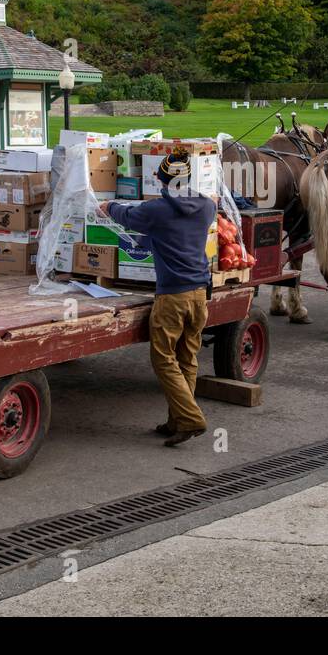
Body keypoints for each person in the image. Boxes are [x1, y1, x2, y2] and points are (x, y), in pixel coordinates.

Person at [97, 151, 217, 448]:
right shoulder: (205, 207)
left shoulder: (156, 211)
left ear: (161, 180)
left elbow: (127, 215)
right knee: (187, 357)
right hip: (200, 293)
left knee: (163, 358)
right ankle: (178, 421)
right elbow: (180, 227)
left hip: (173, 296)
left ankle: (191, 418)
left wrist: (107, 205)